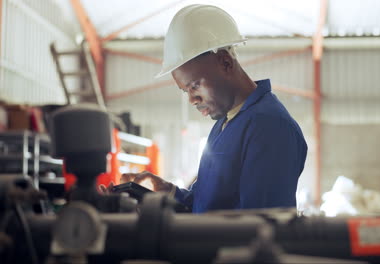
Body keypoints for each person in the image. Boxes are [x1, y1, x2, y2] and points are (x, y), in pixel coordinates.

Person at [105, 4, 308, 213]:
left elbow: (259, 226)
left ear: (226, 62)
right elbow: (207, 204)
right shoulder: (225, 122)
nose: (192, 99)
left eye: (195, 86)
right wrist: (169, 192)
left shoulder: (269, 126)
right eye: (186, 91)